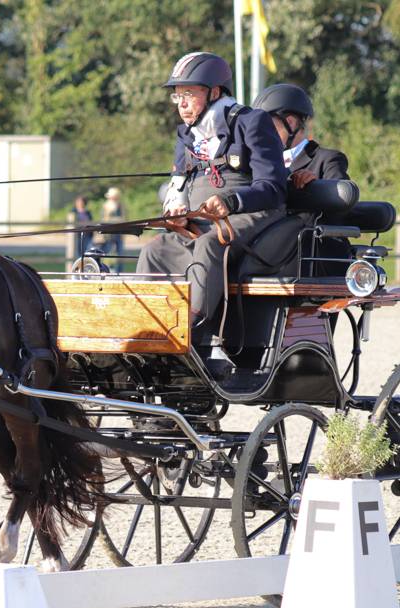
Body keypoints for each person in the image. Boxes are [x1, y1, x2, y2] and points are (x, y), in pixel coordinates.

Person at [136, 52, 288, 377]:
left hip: (254, 214)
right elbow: (178, 183)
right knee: (154, 250)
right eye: (177, 95)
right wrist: (174, 213)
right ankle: (147, 335)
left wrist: (232, 201)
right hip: (204, 219)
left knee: (209, 243)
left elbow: (274, 188)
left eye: (189, 94)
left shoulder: (251, 122)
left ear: (215, 92)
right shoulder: (186, 134)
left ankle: (192, 339)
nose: (181, 103)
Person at [252, 83, 349, 186]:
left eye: (267, 126)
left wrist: (316, 185)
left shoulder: (328, 161)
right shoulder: (259, 163)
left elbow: (340, 194)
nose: (262, 133)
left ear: (290, 123)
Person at [100, 187, 126, 271]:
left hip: (119, 232)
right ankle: (107, 269)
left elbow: (124, 219)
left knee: (120, 252)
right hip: (109, 233)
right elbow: (104, 220)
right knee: (107, 252)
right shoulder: (105, 206)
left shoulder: (120, 206)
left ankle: (119, 271)